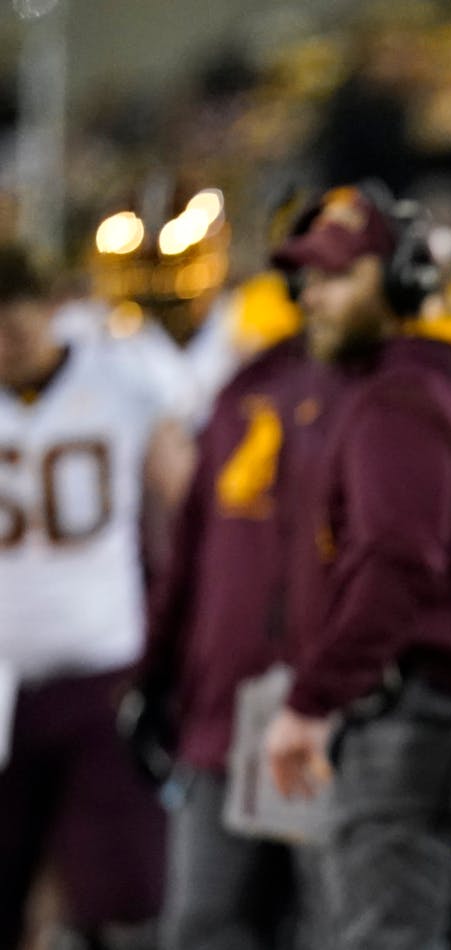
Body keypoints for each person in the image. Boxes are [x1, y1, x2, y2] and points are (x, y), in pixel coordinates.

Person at [259, 184, 451, 950]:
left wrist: (311, 701)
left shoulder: (400, 397)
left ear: (403, 284)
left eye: (336, 277)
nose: (311, 298)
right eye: (307, 280)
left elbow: (396, 565)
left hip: (412, 729)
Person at [133, 266, 339, 950]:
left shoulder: (241, 404)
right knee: (316, 923)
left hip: (262, 711)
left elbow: (184, 568)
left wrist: (154, 678)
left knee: (214, 921)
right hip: (297, 715)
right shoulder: (372, 404)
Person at [0, 243, 194, 949]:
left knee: (117, 897)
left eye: (13, 328)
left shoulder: (122, 381)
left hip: (104, 671)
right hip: (4, 680)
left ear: (52, 312)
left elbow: (191, 508)